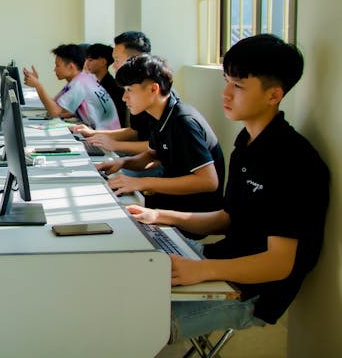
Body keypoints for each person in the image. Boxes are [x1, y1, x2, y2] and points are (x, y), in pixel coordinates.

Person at [127, 34, 329, 343]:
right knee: (120, 277)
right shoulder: (246, 145)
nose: (225, 93)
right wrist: (160, 215)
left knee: (128, 320)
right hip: (217, 262)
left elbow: (278, 264)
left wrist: (200, 272)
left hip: (252, 294)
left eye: (238, 86)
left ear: (273, 95)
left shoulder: (295, 160)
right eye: (226, 81)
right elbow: (227, 218)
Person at [96, 54, 224, 213]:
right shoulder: (159, 115)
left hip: (191, 210)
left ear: (153, 89)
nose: (124, 97)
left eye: (129, 90)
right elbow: (153, 155)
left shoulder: (183, 122)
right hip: (170, 200)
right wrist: (123, 163)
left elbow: (209, 181)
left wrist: (142, 183)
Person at [72, 31, 153, 154]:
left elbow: (156, 147)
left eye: (117, 60)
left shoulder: (147, 91)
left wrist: (114, 145)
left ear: (134, 59)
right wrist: (95, 133)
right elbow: (135, 131)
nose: (114, 66)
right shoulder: (133, 86)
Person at [22, 44, 120, 130]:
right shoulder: (81, 79)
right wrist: (36, 84)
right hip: (98, 132)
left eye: (57, 65)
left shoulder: (80, 84)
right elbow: (54, 105)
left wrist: (38, 86)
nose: (54, 69)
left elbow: (54, 112)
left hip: (106, 139)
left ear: (71, 67)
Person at [83, 43, 126, 126]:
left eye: (90, 60)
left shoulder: (113, 87)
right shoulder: (97, 83)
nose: (86, 64)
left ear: (103, 62)